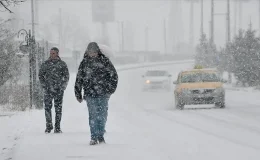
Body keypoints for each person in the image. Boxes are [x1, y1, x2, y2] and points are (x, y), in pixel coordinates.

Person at [74, 42, 118, 145]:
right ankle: (94, 137)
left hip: (103, 93)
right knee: (93, 115)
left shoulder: (105, 62)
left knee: (102, 115)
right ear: (87, 52)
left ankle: (100, 135)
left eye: (94, 52)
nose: (92, 54)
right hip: (90, 94)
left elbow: (114, 76)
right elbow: (79, 79)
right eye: (90, 52)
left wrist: (110, 90)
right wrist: (78, 93)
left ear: (97, 51)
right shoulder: (84, 63)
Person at [39, 47, 69, 134]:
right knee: (47, 108)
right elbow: (41, 75)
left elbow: (66, 76)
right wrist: (44, 86)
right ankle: (48, 126)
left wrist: (63, 86)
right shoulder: (45, 64)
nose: (51, 55)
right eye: (51, 53)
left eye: (53, 53)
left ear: (57, 54)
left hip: (58, 90)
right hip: (48, 90)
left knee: (58, 109)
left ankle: (57, 127)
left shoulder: (62, 64)